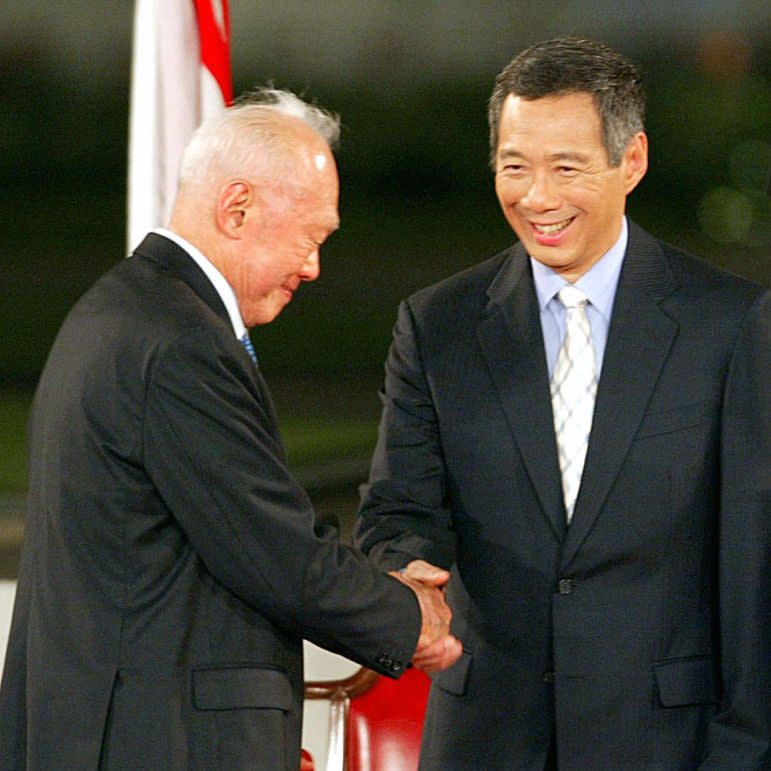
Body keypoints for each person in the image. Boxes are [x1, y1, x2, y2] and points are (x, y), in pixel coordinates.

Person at [0, 88, 462, 770]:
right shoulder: (180, 342)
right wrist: (410, 615)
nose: (313, 266)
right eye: (311, 236)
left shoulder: (118, 313)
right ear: (237, 207)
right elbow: (276, 553)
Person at [355, 36, 770, 770]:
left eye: (565, 167)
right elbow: (398, 512)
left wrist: (743, 748)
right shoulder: (437, 324)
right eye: (514, 166)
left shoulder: (729, 324)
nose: (536, 196)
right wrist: (408, 569)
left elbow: (752, 562)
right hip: (484, 739)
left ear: (630, 161)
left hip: (667, 743)